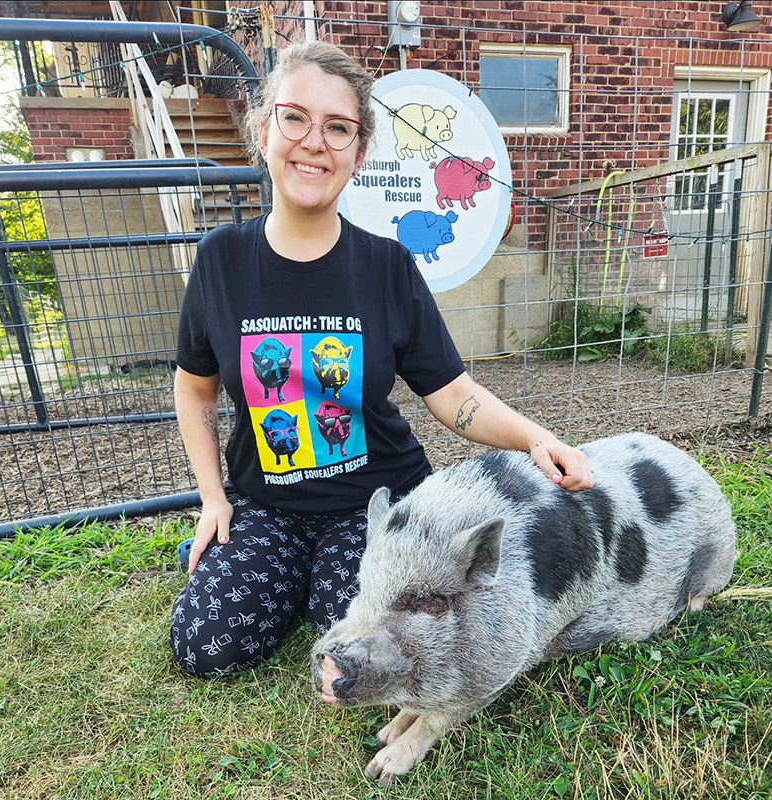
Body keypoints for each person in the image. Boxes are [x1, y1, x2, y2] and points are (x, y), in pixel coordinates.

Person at [170, 41, 594, 678]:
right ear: (265, 132)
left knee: (368, 646)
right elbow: (196, 391)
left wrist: (538, 439)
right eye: (295, 118)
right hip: (266, 506)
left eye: (338, 128)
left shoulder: (388, 266)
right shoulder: (220, 262)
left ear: (358, 154)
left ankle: (314, 589)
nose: (314, 142)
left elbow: (454, 397)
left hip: (377, 507)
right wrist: (212, 498)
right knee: (206, 647)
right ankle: (280, 576)